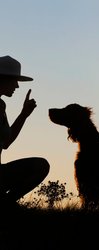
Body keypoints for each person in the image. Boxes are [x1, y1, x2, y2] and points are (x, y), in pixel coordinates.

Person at [0, 55, 49, 209]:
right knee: (40, 166)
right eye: (14, 80)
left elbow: (5, 143)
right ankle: (5, 206)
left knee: (40, 165)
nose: (17, 86)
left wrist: (24, 115)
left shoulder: (1, 106)